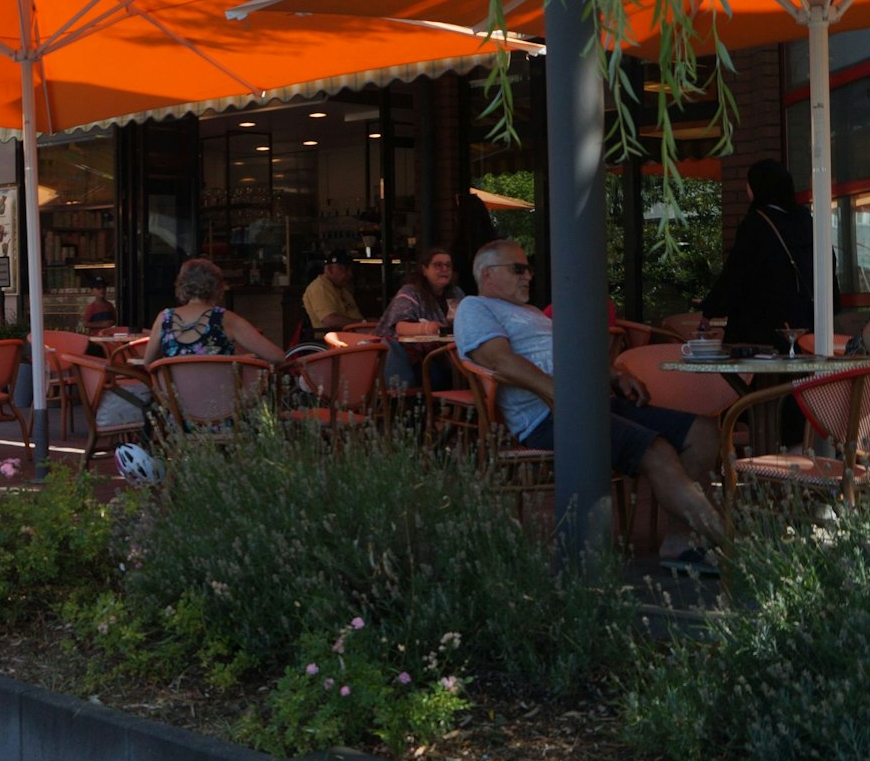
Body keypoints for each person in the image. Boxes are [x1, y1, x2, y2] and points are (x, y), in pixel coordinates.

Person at [455, 239, 726, 571]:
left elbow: (573, 352)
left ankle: (680, 542)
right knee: (655, 450)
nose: (529, 276)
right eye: (519, 269)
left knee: (703, 431)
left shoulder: (530, 313)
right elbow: (500, 362)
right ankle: (732, 546)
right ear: (486, 274)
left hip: (594, 403)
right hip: (547, 417)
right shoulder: (474, 308)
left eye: (529, 269)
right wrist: (560, 395)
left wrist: (615, 375)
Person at [698, 158, 818, 349]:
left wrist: (710, 309)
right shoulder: (805, 220)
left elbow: (736, 274)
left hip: (761, 326)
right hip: (807, 324)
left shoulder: (756, 223)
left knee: (751, 372)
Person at [153, 258, 286, 362]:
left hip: (175, 396)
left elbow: (149, 363)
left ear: (181, 285)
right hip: (222, 395)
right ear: (217, 287)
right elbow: (277, 357)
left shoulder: (165, 318)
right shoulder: (225, 319)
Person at [373, 247, 464, 388]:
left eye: (448, 265)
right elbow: (400, 327)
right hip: (409, 356)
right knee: (437, 377)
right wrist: (428, 327)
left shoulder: (456, 293)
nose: (444, 269)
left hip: (444, 352)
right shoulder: (410, 292)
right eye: (437, 265)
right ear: (424, 270)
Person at [302, 250, 363, 332]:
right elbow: (330, 320)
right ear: (330, 269)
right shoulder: (320, 288)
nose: (350, 274)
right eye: (345, 269)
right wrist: (362, 324)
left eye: (351, 270)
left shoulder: (342, 288)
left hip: (356, 335)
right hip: (335, 340)